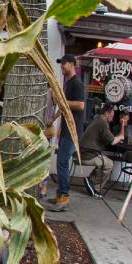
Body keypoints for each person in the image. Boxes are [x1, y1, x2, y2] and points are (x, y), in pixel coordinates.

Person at [46, 54, 87, 210]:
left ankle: (64, 196)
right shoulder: (67, 83)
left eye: (64, 63)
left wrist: (62, 101)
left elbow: (81, 105)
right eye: (61, 63)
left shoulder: (77, 83)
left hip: (73, 130)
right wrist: (54, 118)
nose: (62, 66)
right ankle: (59, 195)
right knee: (60, 162)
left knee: (62, 162)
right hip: (65, 129)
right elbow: (64, 107)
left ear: (72, 64)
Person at [79, 104, 124, 195]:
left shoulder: (97, 119)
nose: (112, 119)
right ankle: (95, 186)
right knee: (109, 164)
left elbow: (106, 138)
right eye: (111, 116)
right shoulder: (103, 123)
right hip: (88, 154)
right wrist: (120, 136)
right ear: (107, 113)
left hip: (83, 152)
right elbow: (112, 141)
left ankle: (91, 180)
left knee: (105, 161)